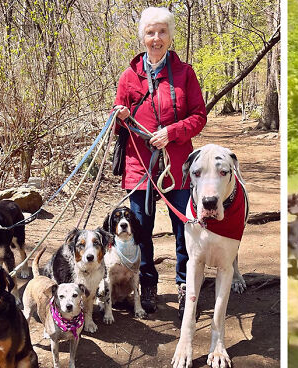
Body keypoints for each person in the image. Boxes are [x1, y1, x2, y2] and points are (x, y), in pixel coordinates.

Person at [113, 6, 207, 317]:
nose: (156, 38)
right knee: (141, 228)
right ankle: (148, 284)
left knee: (184, 226)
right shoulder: (129, 76)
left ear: (170, 36)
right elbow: (119, 119)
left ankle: (185, 284)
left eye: (162, 32)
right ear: (143, 36)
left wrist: (172, 132)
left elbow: (199, 117)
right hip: (139, 163)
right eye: (151, 32)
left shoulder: (185, 73)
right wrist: (121, 115)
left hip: (177, 163)